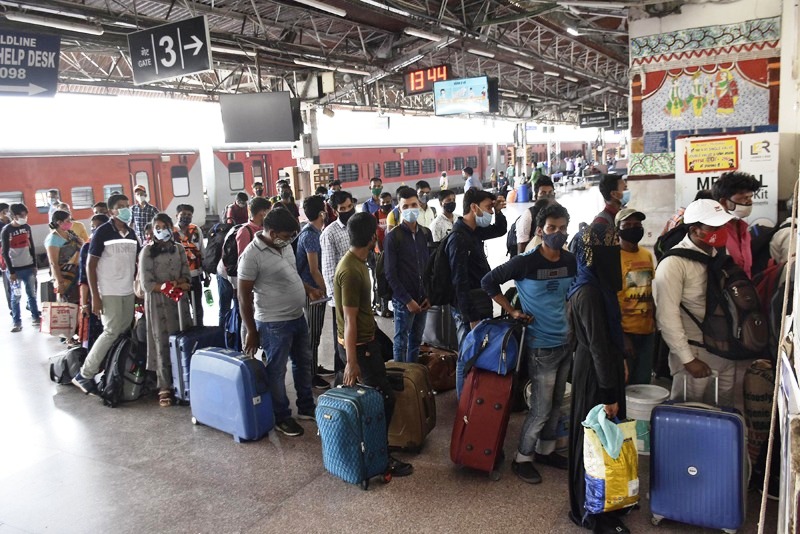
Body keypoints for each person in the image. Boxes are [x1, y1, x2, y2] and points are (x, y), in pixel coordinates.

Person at [482, 204, 576, 484]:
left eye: (562, 228)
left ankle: (546, 451)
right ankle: (522, 458)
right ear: (540, 231)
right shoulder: (525, 261)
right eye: (551, 228)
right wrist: (512, 311)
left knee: (557, 404)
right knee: (541, 408)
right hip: (540, 346)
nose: (557, 233)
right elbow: (488, 281)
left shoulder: (570, 261)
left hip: (565, 342)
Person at [334, 211, 413, 477]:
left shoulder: (357, 262)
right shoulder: (351, 271)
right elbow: (349, 320)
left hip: (367, 341)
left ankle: (375, 446)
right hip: (359, 348)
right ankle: (380, 455)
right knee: (383, 399)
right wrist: (351, 362)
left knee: (379, 394)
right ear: (371, 238)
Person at [566, 223, 630, 534]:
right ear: (592, 255)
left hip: (602, 367)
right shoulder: (589, 292)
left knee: (607, 440)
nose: (614, 255)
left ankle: (608, 499)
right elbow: (597, 346)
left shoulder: (597, 286)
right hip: (595, 373)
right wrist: (608, 394)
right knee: (595, 441)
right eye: (609, 250)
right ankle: (590, 511)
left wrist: (621, 363)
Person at [239, 208, 321, 437]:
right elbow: (243, 297)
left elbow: (292, 274)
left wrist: (308, 289)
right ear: (272, 232)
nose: (290, 239)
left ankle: (306, 407)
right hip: (273, 323)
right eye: (287, 235)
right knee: (276, 371)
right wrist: (251, 331)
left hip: (297, 316)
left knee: (303, 363)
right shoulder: (251, 255)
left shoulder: (284, 246)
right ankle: (281, 416)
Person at [652, 199, 737, 405]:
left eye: (723, 225)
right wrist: (687, 359)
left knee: (722, 414)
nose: (722, 231)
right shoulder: (674, 263)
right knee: (690, 414)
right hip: (695, 353)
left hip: (725, 353)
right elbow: (667, 316)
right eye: (714, 227)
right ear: (695, 230)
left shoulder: (719, 258)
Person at [72, 194, 139, 394]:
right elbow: (90, 265)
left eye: (127, 205)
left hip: (128, 290)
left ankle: (114, 370)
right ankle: (84, 374)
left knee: (124, 331)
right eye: (120, 206)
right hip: (109, 291)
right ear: (111, 211)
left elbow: (137, 262)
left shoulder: (131, 234)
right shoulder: (103, 232)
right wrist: (95, 297)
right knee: (111, 331)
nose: (126, 209)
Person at [139, 213, 191, 407]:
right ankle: (164, 386)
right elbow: (146, 284)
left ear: (171, 227)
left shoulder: (179, 249)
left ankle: (184, 381)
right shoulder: (147, 252)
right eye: (157, 227)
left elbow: (187, 277)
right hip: (158, 302)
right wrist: (164, 287)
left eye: (165, 226)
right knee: (161, 342)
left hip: (179, 302)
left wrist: (176, 284)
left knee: (182, 340)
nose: (161, 231)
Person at [447, 189, 507, 347]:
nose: (490, 212)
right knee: (468, 352)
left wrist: (498, 212)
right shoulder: (458, 238)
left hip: (480, 298)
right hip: (468, 306)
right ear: (474, 207)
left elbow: (499, 230)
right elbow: (459, 281)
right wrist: (471, 316)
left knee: (481, 350)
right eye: (488, 207)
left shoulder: (474, 231)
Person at [384, 188, 432, 363]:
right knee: (401, 342)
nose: (410, 209)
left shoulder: (425, 233)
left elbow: (430, 268)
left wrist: (429, 295)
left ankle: (413, 374)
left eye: (413, 205)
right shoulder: (392, 237)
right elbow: (390, 274)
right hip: (403, 301)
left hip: (423, 298)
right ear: (399, 208)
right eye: (405, 206)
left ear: (419, 205)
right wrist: (407, 300)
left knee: (416, 341)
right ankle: (401, 376)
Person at [296, 195, 334, 390]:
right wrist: (325, 289)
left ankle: (314, 366)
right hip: (312, 291)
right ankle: (310, 375)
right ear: (322, 213)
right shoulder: (311, 235)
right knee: (313, 334)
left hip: (311, 289)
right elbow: (313, 269)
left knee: (314, 333)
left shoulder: (310, 231)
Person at [616, 208, 656, 385]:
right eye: (627, 225)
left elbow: (649, 289)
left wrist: (655, 321)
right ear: (618, 229)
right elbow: (610, 300)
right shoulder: (614, 258)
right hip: (626, 332)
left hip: (647, 331)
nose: (633, 228)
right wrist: (622, 337)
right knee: (624, 383)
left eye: (637, 225)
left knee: (643, 383)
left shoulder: (646, 255)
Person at [321, 190, 357, 377]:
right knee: (342, 339)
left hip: (358, 291)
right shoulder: (329, 233)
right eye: (343, 208)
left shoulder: (356, 226)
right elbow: (328, 270)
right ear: (335, 211)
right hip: (342, 297)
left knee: (357, 336)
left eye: (350, 206)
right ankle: (341, 376)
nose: (348, 210)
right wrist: (337, 301)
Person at [711, 171, 761, 278]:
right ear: (723, 202)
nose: (749, 202)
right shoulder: (713, 232)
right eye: (743, 198)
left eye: (750, 197)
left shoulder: (745, 230)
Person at [1, 203, 41, 332]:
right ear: (14, 216)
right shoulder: (6, 230)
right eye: (22, 215)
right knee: (16, 296)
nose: (24, 218)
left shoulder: (27, 227)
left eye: (25, 215)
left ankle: (36, 317)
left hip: (28, 267)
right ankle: (17, 322)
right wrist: (11, 271)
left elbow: (31, 246)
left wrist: (34, 265)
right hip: (15, 270)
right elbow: (5, 252)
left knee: (32, 294)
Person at [78, 214, 108, 350]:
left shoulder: (112, 246)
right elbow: (84, 280)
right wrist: (84, 304)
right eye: (92, 227)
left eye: (98, 227)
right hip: (95, 297)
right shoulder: (87, 248)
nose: (95, 230)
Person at [44, 210, 84, 309]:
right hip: (64, 277)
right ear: (59, 222)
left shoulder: (70, 234)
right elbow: (54, 263)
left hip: (78, 274)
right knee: (68, 306)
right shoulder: (53, 239)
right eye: (68, 220)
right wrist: (60, 282)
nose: (71, 223)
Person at [173, 204, 205, 325]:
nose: (186, 217)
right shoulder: (171, 232)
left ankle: (199, 328)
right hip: (179, 277)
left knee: (197, 306)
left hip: (196, 274)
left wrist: (205, 272)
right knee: (181, 306)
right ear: (177, 216)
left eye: (189, 215)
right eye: (183, 214)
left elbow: (202, 251)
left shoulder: (196, 230)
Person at [516, 178, 556, 253]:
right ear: (536, 196)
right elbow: (521, 248)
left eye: (550, 192)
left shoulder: (558, 212)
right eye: (543, 193)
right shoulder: (529, 214)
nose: (548, 196)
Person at [0, 202, 10, 315]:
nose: (7, 213)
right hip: (4, 257)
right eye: (6, 211)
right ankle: (12, 307)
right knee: (8, 283)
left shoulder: (11, 223)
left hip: (15, 256)